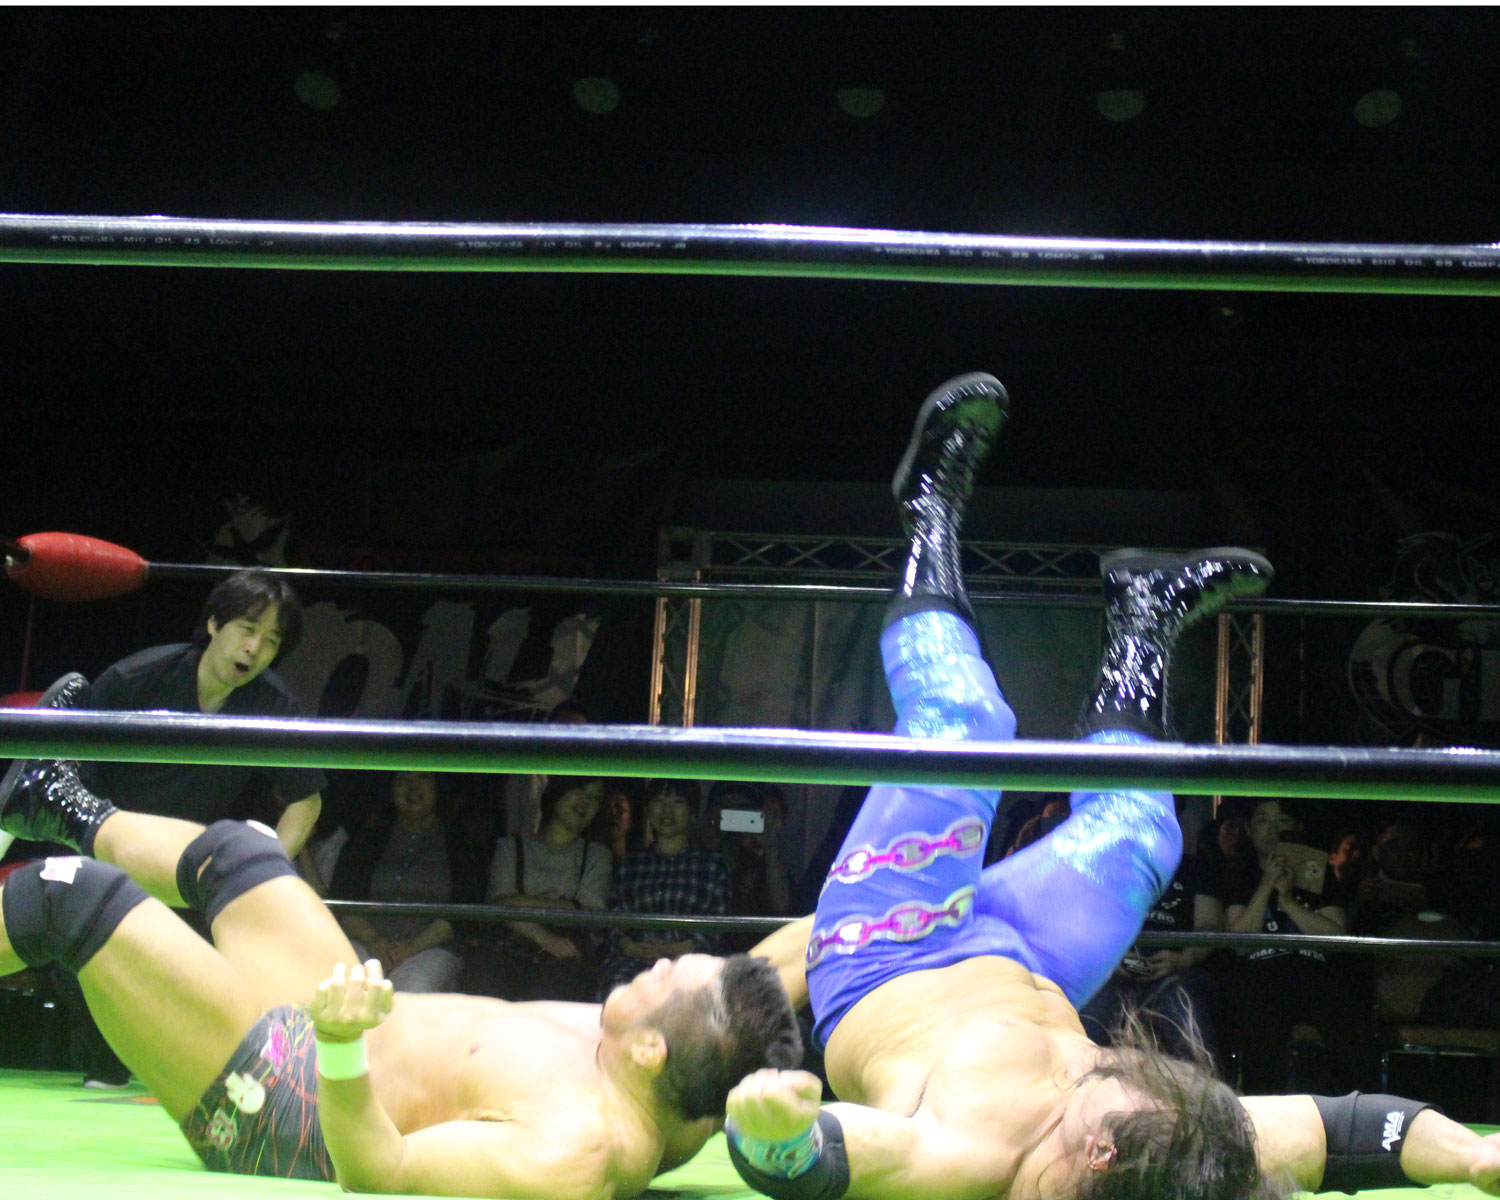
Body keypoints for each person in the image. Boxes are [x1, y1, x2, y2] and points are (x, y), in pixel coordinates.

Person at [717, 373, 1500, 1200]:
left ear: (1096, 1151)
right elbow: (1359, 1129)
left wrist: (770, 1131)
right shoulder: (1185, 1157)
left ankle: (926, 510)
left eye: (1137, 1098)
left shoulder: (965, 1149)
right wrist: (1478, 1159)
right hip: (1031, 958)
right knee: (1143, 831)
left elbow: (811, 1160)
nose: (1140, 1078)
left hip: (884, 951)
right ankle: (1140, 620)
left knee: (967, 725)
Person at [0, 755, 802, 1195]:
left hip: (294, 1103)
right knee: (241, 854)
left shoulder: (577, 1149)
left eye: (671, 975)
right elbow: (790, 966)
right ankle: (49, 799)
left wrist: (340, 1047)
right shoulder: (688, 1064)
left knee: (67, 899)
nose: (657, 963)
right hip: (343, 1015)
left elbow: (378, 1170)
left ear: (656, 1050)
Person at [76, 568, 326, 856]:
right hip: (107, 847)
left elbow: (307, 801)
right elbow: (71, 772)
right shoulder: (133, 680)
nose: (254, 648)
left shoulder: (272, 704)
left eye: (271, 641)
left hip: (191, 859)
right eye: (247, 629)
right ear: (214, 623)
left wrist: (266, 868)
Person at [330, 770, 487, 994]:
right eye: (403, 779)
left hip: (430, 949)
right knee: (349, 985)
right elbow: (345, 901)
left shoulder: (459, 842)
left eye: (423, 778)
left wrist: (411, 948)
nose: (413, 788)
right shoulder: (368, 838)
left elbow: (463, 912)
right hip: (368, 945)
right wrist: (375, 941)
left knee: (413, 990)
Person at [463, 775, 614, 1002]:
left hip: (565, 953)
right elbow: (498, 905)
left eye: (595, 798)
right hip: (506, 945)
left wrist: (520, 901)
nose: (585, 801)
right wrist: (544, 933)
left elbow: (587, 913)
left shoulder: (597, 856)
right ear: (558, 793)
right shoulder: (511, 847)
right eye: (579, 790)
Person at [597, 778, 731, 1000]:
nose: (667, 811)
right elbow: (613, 919)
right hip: (633, 962)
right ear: (648, 810)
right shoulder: (630, 865)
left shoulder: (712, 866)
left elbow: (716, 927)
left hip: (690, 964)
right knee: (617, 993)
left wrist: (679, 948)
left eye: (678, 802)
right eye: (659, 802)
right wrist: (629, 946)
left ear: (692, 812)